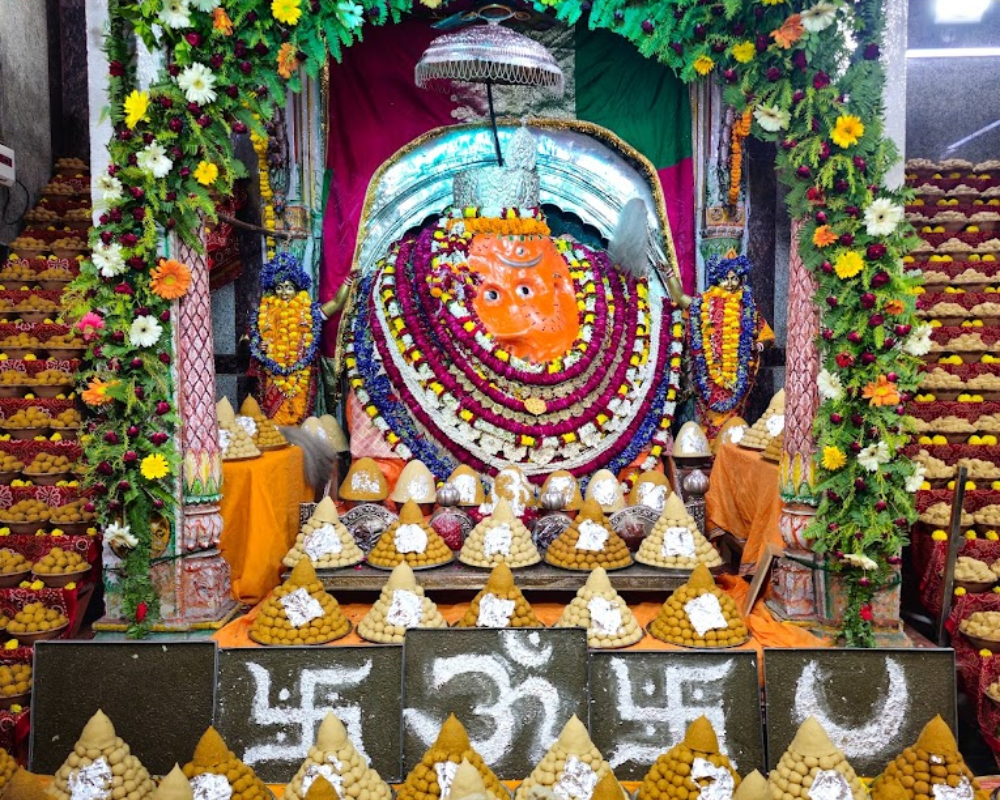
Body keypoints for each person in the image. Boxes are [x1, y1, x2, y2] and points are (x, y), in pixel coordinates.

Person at [687, 251, 774, 441]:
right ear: (717, 279)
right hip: (709, 372)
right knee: (709, 414)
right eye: (725, 279)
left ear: (740, 279)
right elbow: (691, 325)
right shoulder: (704, 303)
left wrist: (758, 345)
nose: (729, 283)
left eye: (734, 278)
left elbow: (766, 335)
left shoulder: (746, 306)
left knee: (732, 419)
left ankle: (728, 448)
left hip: (737, 373)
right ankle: (709, 448)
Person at [249, 252, 341, 425]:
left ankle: (298, 438)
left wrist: (350, 280)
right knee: (273, 421)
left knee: (299, 416)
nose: (284, 292)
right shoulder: (264, 312)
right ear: (273, 289)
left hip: (300, 373)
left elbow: (336, 303)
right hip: (272, 373)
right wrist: (258, 345)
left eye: (289, 287)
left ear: (297, 289)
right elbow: (249, 339)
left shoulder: (309, 313)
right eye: (279, 287)